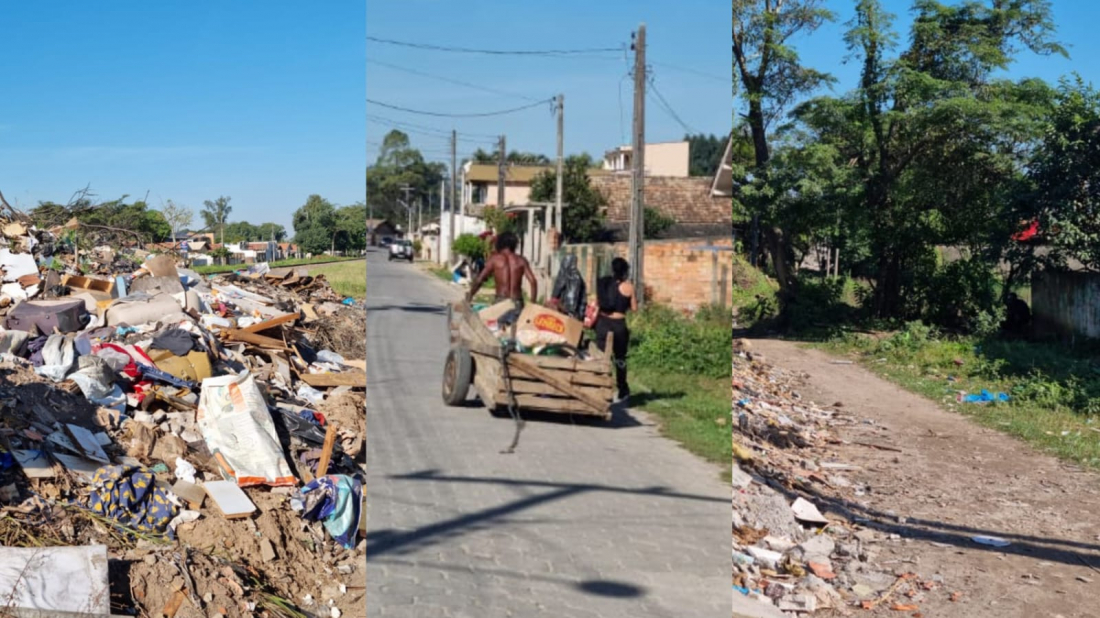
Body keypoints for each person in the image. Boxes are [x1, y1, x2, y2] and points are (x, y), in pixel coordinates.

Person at [595, 257, 637, 402]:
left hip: (603, 323)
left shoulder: (605, 283)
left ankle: (600, 387)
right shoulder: (629, 287)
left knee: (601, 355)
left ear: (612, 269)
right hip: (619, 325)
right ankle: (622, 389)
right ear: (625, 271)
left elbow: (596, 303)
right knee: (620, 357)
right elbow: (634, 308)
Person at [467, 231, 537, 306]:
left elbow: (479, 280)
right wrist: (532, 302)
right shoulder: (521, 260)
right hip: (517, 301)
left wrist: (470, 295)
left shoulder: (494, 260)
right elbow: (532, 281)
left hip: (501, 301)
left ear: (500, 243)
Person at [549, 254, 586, 321]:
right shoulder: (567, 275)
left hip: (572, 315)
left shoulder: (574, 278)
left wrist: (566, 312)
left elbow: (571, 302)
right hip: (567, 310)